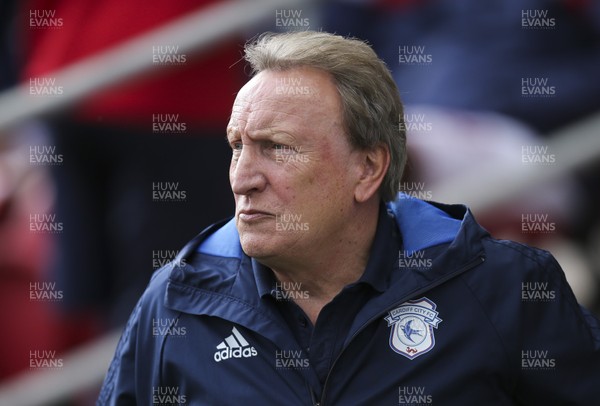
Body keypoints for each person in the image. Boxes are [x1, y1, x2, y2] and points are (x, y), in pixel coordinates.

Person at [97, 31, 600, 405]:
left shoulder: (500, 287)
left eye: (277, 148)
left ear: (368, 169)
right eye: (236, 148)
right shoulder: (177, 300)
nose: (242, 178)